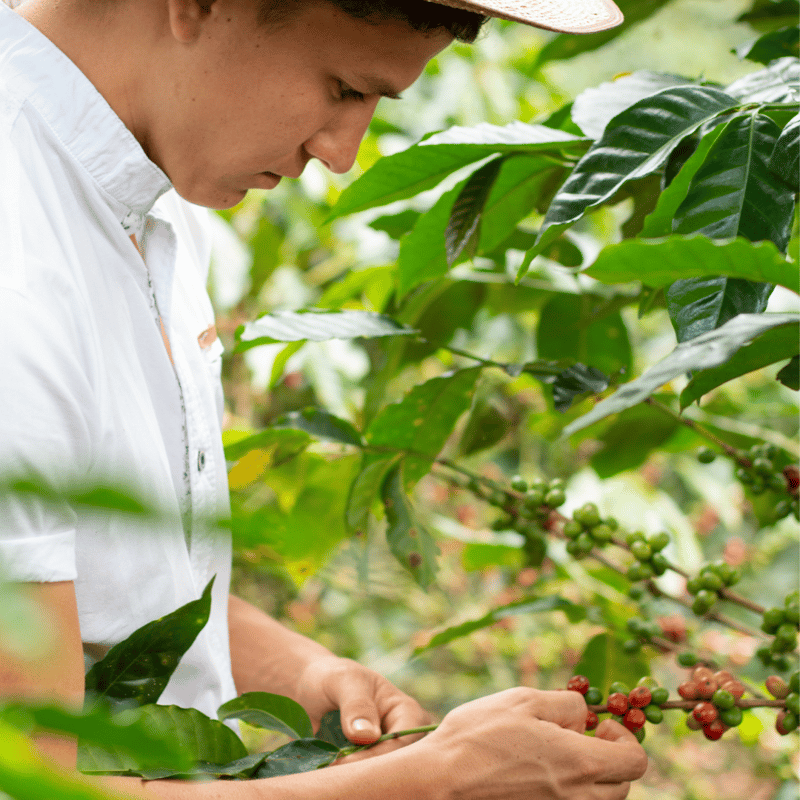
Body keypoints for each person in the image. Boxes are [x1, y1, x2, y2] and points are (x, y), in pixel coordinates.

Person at [0, 0, 648, 797]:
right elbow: (35, 785)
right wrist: (437, 781)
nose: (343, 153)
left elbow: (86, 573)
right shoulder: (17, 261)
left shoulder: (153, 185)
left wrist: (299, 670)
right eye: (344, 89)